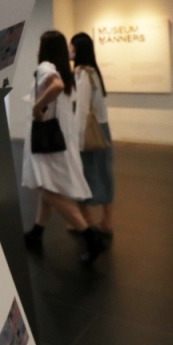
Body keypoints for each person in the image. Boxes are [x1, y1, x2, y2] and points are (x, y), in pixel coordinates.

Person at [22, 31, 106, 265]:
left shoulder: (46, 67)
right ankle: (37, 232)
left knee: (48, 190)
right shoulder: (65, 71)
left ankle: (91, 238)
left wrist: (37, 107)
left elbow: (55, 86)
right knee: (47, 186)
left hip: (48, 141)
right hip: (61, 140)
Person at [71, 33, 116, 241]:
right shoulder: (94, 71)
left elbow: (81, 110)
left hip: (88, 132)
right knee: (104, 174)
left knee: (82, 175)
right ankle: (107, 220)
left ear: (79, 50)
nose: (69, 51)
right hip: (102, 129)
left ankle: (87, 221)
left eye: (72, 47)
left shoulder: (82, 74)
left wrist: (77, 140)